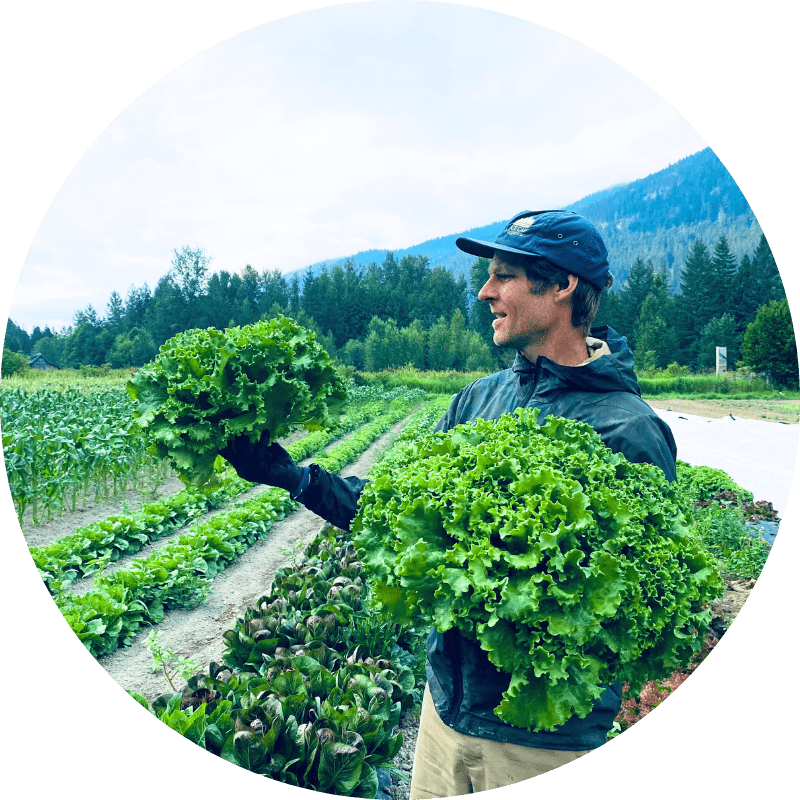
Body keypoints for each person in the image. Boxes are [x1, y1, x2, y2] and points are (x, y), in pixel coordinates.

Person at [221, 209, 678, 797]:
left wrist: (512, 583)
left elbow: (635, 612)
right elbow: (393, 512)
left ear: (564, 286)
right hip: (444, 719)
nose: (485, 291)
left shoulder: (627, 430)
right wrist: (296, 479)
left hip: (542, 744)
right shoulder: (477, 401)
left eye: (505, 276)